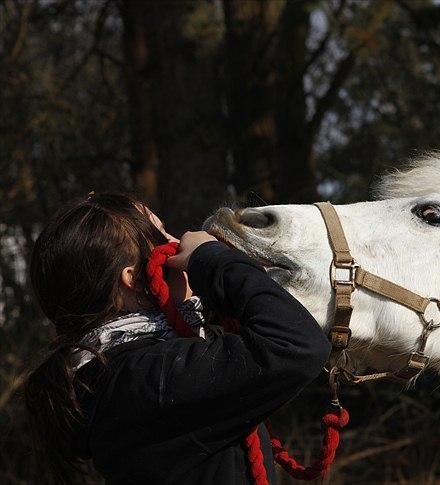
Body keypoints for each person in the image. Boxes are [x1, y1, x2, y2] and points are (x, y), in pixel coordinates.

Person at [23, 192, 331, 484]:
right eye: (163, 235)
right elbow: (297, 345)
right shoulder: (151, 378)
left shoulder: (117, 376)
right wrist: (210, 259)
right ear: (134, 280)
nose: (179, 242)